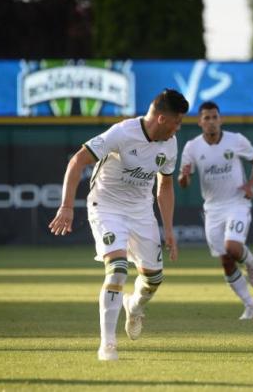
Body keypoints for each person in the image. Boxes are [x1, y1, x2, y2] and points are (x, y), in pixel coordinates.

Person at [48, 89, 189, 361]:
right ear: (161, 118)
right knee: (117, 270)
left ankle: (133, 307)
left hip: (141, 212)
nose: (178, 127)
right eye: (177, 121)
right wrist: (66, 206)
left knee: (153, 279)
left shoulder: (170, 143)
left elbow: (165, 185)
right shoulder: (122, 133)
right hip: (107, 207)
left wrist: (168, 229)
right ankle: (108, 344)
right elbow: (78, 160)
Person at [178, 101, 253, 320]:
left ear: (220, 119)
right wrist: (184, 177)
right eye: (206, 118)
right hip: (212, 209)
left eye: (214, 117)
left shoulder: (235, 140)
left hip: (237, 203)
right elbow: (183, 182)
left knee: (233, 247)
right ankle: (250, 306)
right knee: (225, 260)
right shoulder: (192, 147)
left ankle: (251, 262)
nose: (211, 121)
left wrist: (250, 185)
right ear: (200, 122)